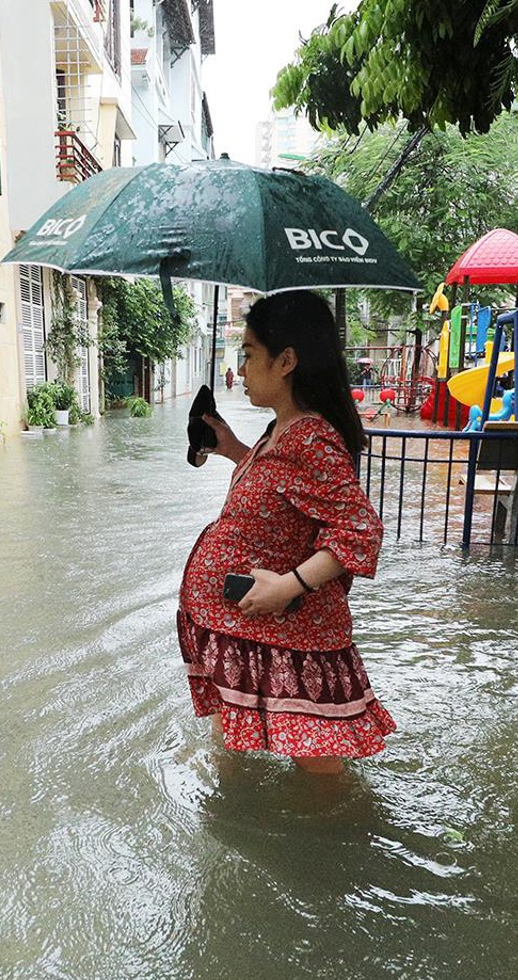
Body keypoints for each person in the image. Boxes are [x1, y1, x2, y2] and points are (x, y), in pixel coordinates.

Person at [177, 291, 396, 774]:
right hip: (243, 631)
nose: (242, 368)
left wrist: (288, 586)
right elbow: (281, 490)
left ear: (286, 361)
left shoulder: (310, 437)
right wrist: (234, 449)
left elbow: (361, 530)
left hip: (288, 638)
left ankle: (330, 826)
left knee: (320, 774)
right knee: (233, 752)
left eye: (250, 354)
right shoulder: (280, 430)